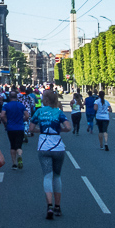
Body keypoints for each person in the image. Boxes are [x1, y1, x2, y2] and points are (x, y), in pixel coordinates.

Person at [30, 90, 71, 219]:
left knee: (47, 176)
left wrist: (40, 131)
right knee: (57, 176)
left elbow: (31, 129)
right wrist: (60, 130)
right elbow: (68, 127)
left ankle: (49, 205)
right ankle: (58, 207)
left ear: (46, 100)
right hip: (58, 147)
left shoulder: (39, 112)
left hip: (44, 147)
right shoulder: (59, 112)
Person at [0, 91, 27, 170]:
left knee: (12, 145)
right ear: (16, 97)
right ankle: (20, 155)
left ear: (9, 97)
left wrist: (6, 121)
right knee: (19, 145)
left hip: (10, 127)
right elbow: (27, 115)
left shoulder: (6, 106)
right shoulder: (21, 105)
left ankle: (14, 163)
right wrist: (23, 120)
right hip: (20, 127)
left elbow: (2, 115)